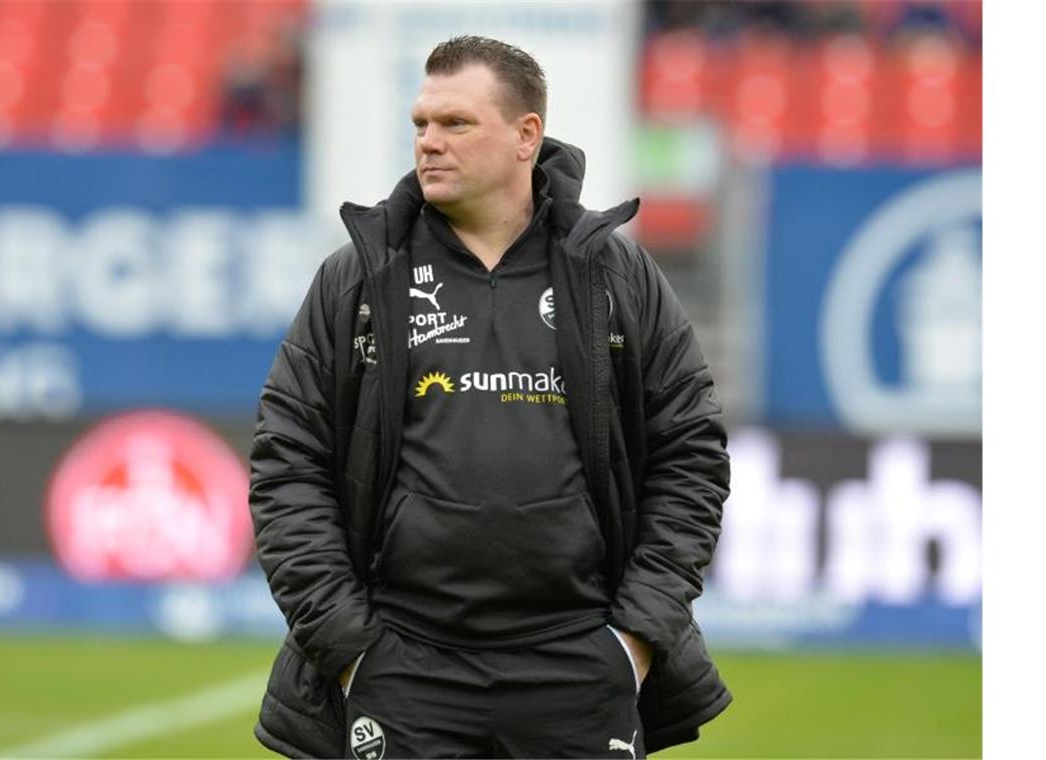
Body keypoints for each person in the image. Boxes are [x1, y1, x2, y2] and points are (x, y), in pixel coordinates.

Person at [249, 35, 731, 759]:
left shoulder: (616, 277)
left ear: (525, 136)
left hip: (578, 665)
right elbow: (287, 465)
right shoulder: (358, 280)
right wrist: (351, 650)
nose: (428, 143)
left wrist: (633, 641)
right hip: (404, 667)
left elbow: (690, 455)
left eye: (455, 124)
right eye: (421, 124)